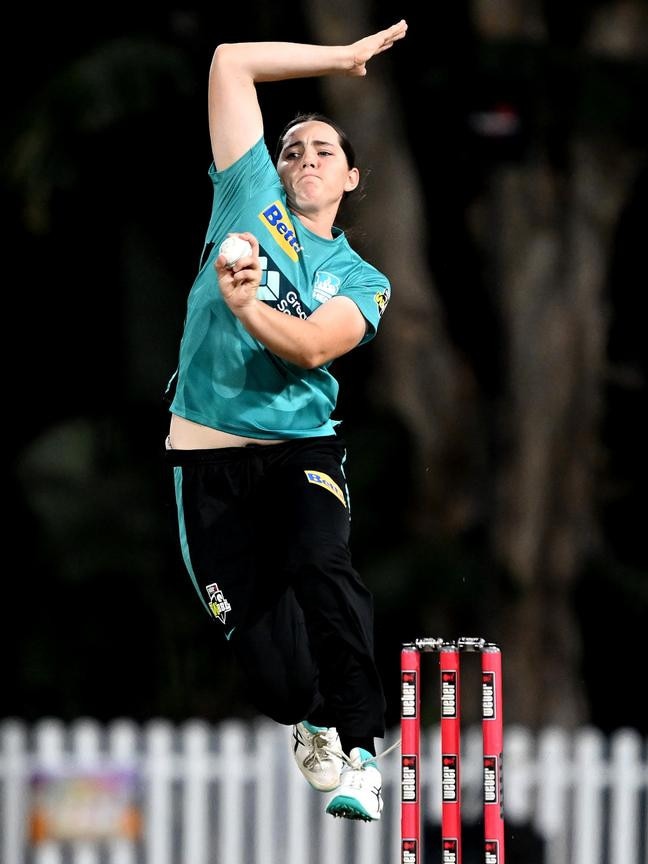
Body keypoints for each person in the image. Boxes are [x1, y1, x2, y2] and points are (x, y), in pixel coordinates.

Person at [163, 20, 408, 822]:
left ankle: (365, 754)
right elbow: (230, 61)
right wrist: (342, 58)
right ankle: (309, 721)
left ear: (351, 177)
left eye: (323, 151)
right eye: (292, 148)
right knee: (275, 682)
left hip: (300, 449)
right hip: (204, 465)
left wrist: (247, 306)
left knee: (321, 561)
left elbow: (309, 349)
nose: (304, 159)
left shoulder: (359, 278)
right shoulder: (245, 193)